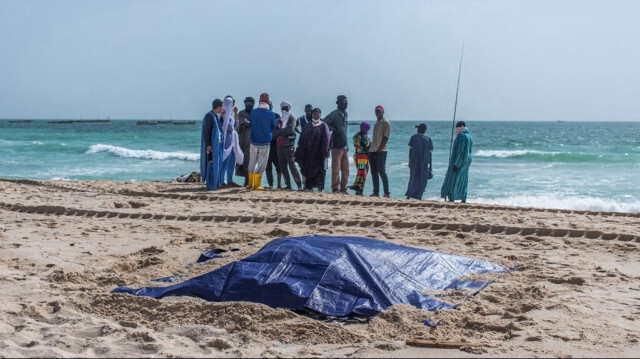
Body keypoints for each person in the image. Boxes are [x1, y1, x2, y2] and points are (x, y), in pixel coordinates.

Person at [295, 108, 330, 192]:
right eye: (314, 114)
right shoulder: (308, 125)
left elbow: (327, 139)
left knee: (320, 170)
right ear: (312, 115)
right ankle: (309, 187)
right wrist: (299, 150)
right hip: (308, 152)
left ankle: (320, 188)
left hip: (319, 153)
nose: (316, 115)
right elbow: (302, 138)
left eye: (318, 114)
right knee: (308, 169)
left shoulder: (323, 125)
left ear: (320, 115)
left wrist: (326, 150)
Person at [247, 93, 277, 190]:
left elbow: (251, 123)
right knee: (262, 164)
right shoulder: (271, 114)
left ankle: (250, 183)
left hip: (254, 141)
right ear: (268, 101)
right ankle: (257, 184)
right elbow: (274, 125)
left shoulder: (253, 112)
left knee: (252, 162)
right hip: (265, 142)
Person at [441, 121, 473, 203]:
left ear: (461, 127)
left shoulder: (461, 136)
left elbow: (460, 151)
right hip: (467, 161)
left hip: (459, 162)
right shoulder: (469, 136)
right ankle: (463, 197)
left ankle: (452, 197)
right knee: (463, 180)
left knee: (454, 179)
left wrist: (456, 164)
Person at [323, 95, 349, 193]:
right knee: (336, 169)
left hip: (345, 145)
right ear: (338, 103)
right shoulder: (334, 114)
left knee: (346, 169)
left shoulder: (346, 113)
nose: (345, 103)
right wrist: (332, 128)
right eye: (343, 101)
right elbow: (324, 123)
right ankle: (335, 188)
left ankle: (344, 188)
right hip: (337, 145)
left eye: (346, 101)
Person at [274, 101, 302, 189]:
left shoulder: (292, 119)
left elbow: (290, 130)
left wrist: (279, 132)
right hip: (279, 146)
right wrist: (281, 132)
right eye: (283, 108)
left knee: (292, 167)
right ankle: (288, 185)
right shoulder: (278, 119)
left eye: (285, 108)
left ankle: (299, 185)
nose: (284, 110)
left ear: (288, 109)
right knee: (283, 167)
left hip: (289, 146)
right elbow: (273, 132)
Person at [200, 99, 224, 190]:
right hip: (211, 145)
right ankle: (211, 185)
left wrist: (222, 117)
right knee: (211, 162)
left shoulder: (214, 116)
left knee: (215, 163)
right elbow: (207, 132)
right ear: (218, 107)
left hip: (215, 145)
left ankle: (215, 183)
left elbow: (218, 128)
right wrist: (209, 145)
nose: (222, 108)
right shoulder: (209, 116)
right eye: (221, 107)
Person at [220, 96, 243, 188]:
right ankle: (221, 181)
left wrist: (236, 114)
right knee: (224, 164)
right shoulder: (222, 116)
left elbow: (236, 126)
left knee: (231, 164)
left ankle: (230, 181)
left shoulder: (230, 117)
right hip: (225, 144)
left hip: (232, 144)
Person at [406, 123, 433, 200]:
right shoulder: (428, 139)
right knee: (422, 179)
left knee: (413, 178)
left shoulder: (414, 137)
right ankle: (419, 195)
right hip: (424, 163)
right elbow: (430, 154)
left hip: (414, 162)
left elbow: (410, 151)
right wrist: (430, 166)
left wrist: (409, 161)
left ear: (418, 129)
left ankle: (409, 195)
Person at [369, 105, 391, 197]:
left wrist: (379, 149)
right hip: (373, 150)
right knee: (374, 172)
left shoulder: (386, 123)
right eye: (376, 111)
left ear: (382, 112)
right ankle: (376, 192)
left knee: (381, 171)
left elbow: (386, 138)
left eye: (379, 111)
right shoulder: (376, 123)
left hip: (381, 151)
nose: (377, 113)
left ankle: (386, 193)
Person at [348, 122, 371, 196]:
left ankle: (357, 188)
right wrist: (368, 150)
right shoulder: (364, 136)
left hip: (357, 156)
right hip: (364, 156)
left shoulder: (356, 135)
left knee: (360, 172)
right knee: (363, 173)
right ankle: (358, 189)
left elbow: (356, 145)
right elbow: (364, 145)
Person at [236, 97, 254, 186]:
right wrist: (253, 123)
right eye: (247, 103)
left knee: (251, 162)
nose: (249, 105)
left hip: (254, 142)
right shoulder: (242, 113)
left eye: (250, 103)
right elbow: (244, 122)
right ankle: (247, 182)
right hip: (243, 142)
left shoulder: (255, 113)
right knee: (245, 162)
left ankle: (251, 181)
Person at [265, 101, 282, 189]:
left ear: (272, 106)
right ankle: (270, 184)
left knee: (278, 165)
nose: (269, 106)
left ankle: (279, 184)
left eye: (270, 105)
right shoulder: (263, 116)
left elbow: (279, 128)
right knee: (268, 166)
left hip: (275, 143)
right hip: (266, 143)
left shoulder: (276, 115)